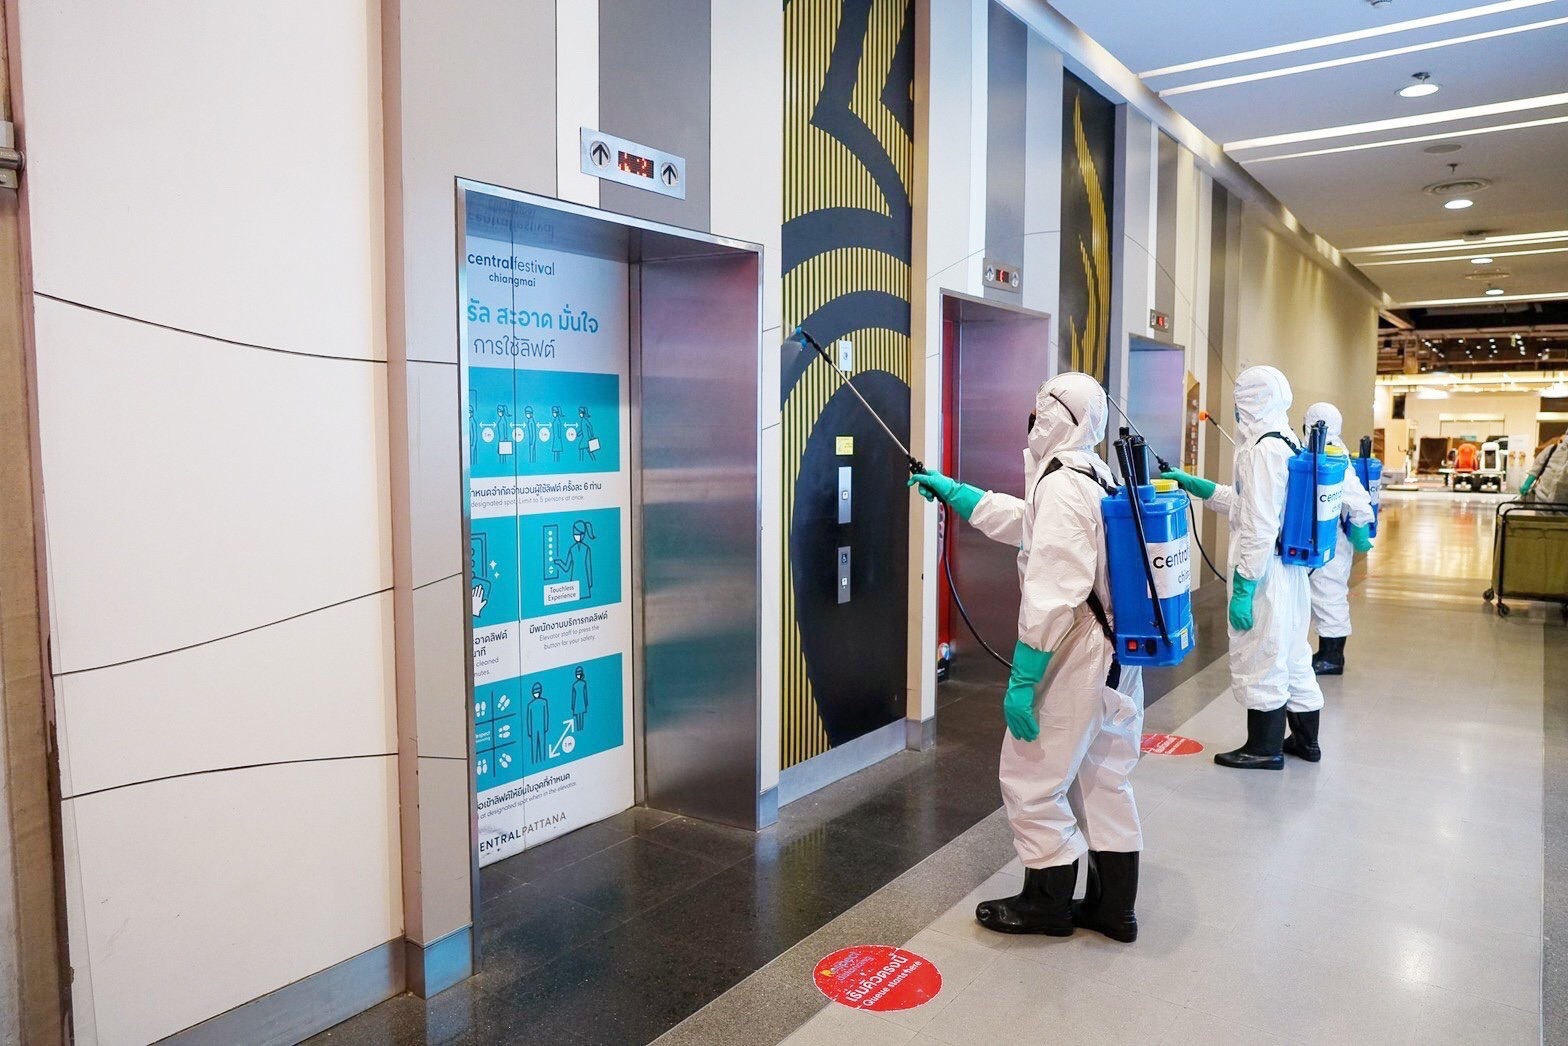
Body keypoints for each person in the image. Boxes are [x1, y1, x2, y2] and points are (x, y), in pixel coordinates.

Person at [910, 372, 1143, 942]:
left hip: (1076, 647)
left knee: (1031, 775)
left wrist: (1024, 677)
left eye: (1039, 410)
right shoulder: (1090, 470)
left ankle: (1047, 904)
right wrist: (958, 493)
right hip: (1117, 648)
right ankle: (1114, 909)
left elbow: (1052, 591)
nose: (1031, 421)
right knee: (1105, 777)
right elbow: (1032, 524)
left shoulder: (1063, 483)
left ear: (1056, 416)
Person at [1163, 366, 1324, 769]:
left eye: (1237, 400)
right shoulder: (1285, 439)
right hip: (1288, 570)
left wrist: (1244, 589)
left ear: (1249, 401)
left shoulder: (1261, 450)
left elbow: (1258, 526)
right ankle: (1306, 742)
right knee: (1292, 652)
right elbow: (1250, 506)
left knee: (1262, 653)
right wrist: (1199, 486)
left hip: (1265, 572)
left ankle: (1263, 749)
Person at [1302, 403, 1375, 680]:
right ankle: (1325, 653)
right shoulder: (1321, 452)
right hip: (1321, 539)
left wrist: (1360, 531)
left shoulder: (1333, 457)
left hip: (1332, 542)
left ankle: (1333, 657)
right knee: (1322, 595)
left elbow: (1358, 500)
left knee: (1329, 595)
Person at [1523, 436, 1566, 502]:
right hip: (1542, 497)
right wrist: (1527, 484)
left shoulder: (1551, 449)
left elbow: (1536, 468)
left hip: (1562, 502)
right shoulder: (1552, 449)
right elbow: (1536, 468)